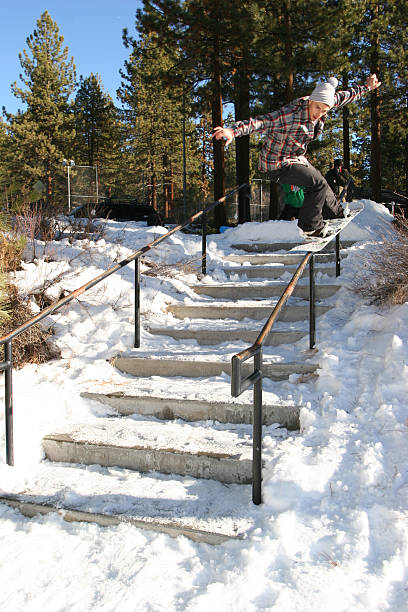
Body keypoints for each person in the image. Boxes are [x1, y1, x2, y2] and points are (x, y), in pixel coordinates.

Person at [213, 74, 381, 237]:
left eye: (324, 111)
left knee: (320, 181)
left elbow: (343, 97)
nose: (319, 113)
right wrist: (232, 131)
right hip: (276, 164)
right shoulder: (289, 115)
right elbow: (261, 122)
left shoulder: (323, 103)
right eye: (317, 108)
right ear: (310, 101)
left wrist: (367, 87)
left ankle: (336, 213)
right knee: (317, 183)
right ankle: (311, 227)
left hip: (294, 158)